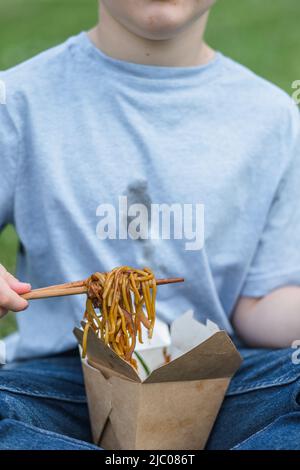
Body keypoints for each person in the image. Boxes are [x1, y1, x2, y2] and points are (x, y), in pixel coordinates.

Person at [0, 0, 299, 450]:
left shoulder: (273, 117)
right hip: (62, 381)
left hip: (220, 378)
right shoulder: (18, 100)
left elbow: (259, 304)